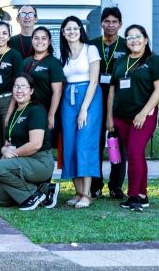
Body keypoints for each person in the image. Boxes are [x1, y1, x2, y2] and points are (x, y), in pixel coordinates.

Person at [106, 25, 159, 212]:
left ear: (146, 40)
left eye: (138, 36)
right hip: (120, 117)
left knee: (134, 153)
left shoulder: (154, 61)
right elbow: (112, 90)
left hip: (143, 116)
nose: (134, 40)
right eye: (130, 37)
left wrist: (143, 112)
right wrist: (109, 117)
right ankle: (142, 194)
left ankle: (133, 197)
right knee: (136, 154)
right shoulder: (121, 61)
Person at [0, 75, 57, 211]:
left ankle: (33, 194)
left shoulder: (36, 110)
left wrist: (11, 154)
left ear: (31, 91)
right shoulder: (15, 112)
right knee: (1, 199)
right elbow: (7, 143)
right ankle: (45, 189)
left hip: (40, 161)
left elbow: (35, 144)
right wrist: (4, 151)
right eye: (16, 86)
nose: (19, 90)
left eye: (23, 87)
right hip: (22, 160)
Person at [58, 16, 102, 208]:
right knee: (70, 143)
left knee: (85, 143)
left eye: (75, 28)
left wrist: (84, 108)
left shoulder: (90, 49)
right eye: (68, 29)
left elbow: (94, 80)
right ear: (63, 32)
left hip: (89, 97)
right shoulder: (63, 52)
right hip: (68, 98)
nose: (72, 32)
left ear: (80, 30)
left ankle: (87, 193)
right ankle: (77, 191)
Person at [89, 7, 129, 199]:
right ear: (101, 23)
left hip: (120, 100)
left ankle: (115, 186)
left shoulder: (127, 45)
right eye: (107, 21)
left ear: (120, 24)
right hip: (95, 100)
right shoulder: (92, 45)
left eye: (114, 22)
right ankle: (95, 185)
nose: (110, 25)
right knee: (95, 144)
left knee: (117, 145)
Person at [0, 20, 24, 159]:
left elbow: (19, 83)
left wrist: (10, 111)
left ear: (9, 36)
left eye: (4, 33)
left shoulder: (14, 55)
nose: (0, 36)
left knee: (8, 144)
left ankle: (10, 178)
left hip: (9, 101)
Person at [22, 26, 64, 136]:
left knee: (42, 145)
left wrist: (51, 114)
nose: (40, 41)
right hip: (26, 110)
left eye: (44, 38)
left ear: (49, 41)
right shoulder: (25, 61)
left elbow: (57, 92)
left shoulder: (54, 63)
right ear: (32, 40)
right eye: (36, 38)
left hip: (44, 111)